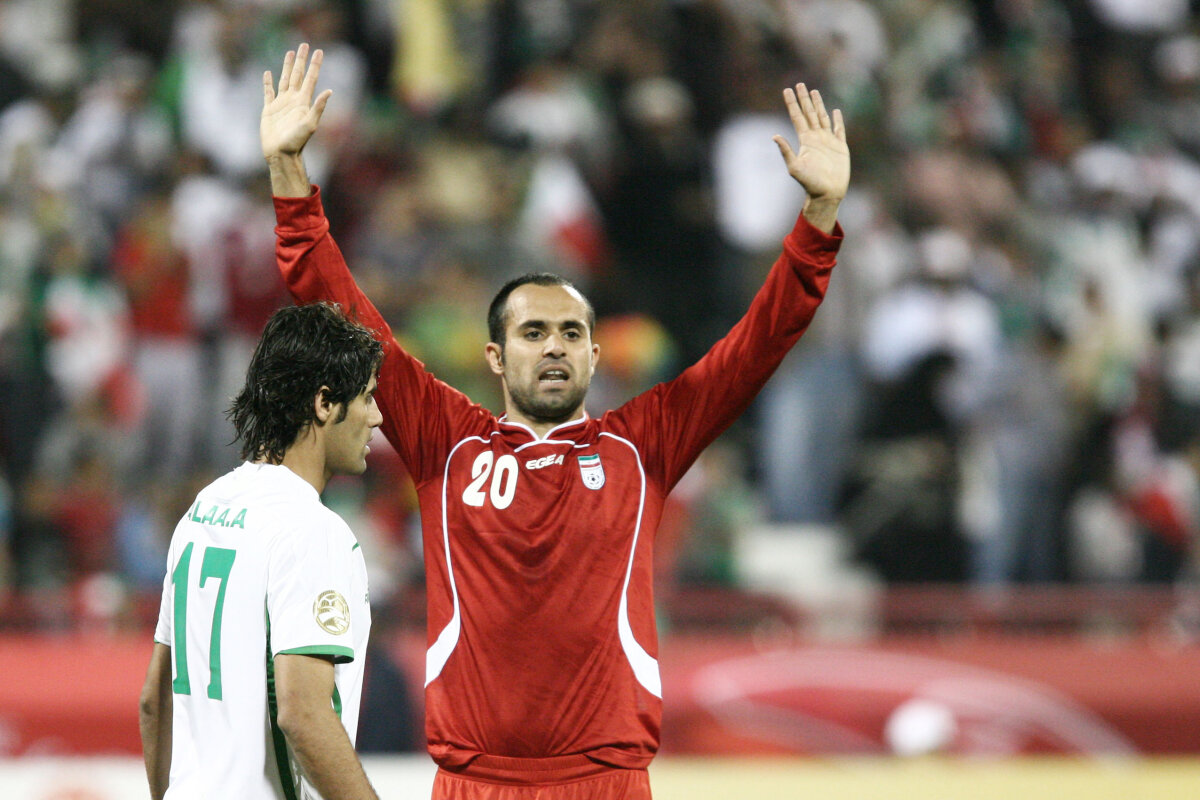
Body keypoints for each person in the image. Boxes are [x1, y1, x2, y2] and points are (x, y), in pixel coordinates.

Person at [262, 43, 848, 799]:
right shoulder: (446, 440)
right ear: (495, 356)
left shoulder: (644, 444)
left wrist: (818, 219)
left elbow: (757, 345)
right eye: (533, 332)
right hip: (475, 782)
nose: (553, 347)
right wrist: (289, 175)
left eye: (571, 334)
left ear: (595, 356)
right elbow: (341, 311)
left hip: (605, 782)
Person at [138, 301, 385, 800]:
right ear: (324, 403)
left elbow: (154, 701)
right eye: (367, 397)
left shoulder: (204, 509)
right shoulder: (312, 530)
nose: (377, 418)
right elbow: (304, 714)